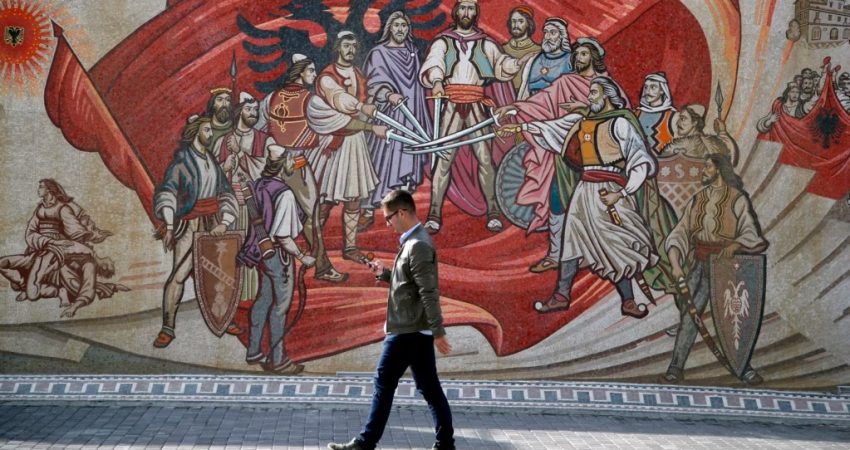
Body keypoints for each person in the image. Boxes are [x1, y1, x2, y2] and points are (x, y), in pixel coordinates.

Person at [508, 76, 662, 318]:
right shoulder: (583, 122)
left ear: (607, 96)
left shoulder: (620, 123)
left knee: (617, 244)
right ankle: (561, 296)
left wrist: (622, 193)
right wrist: (521, 128)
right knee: (571, 241)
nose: (589, 98)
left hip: (610, 191)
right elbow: (551, 128)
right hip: (584, 190)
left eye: (593, 93)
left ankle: (628, 301)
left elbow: (639, 159)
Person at [327, 190, 454, 450]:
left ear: (403, 212)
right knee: (429, 389)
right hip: (413, 330)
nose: (387, 223)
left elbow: (428, 292)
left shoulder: (418, 245)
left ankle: (365, 442)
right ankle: (445, 444)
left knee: (384, 383)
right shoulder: (412, 242)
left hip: (407, 331)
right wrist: (386, 274)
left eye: (388, 217)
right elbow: (410, 283)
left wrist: (438, 331)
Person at [494, 37, 611, 274]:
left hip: (596, 158)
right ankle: (556, 254)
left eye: (584, 54)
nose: (579, 58)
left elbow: (613, 115)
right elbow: (543, 101)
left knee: (591, 207)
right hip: (565, 152)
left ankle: (591, 253)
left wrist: (583, 110)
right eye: (577, 55)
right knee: (557, 202)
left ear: (594, 58)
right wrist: (515, 108)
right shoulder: (566, 82)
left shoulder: (605, 86)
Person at [419, 0, 532, 234]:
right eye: (463, 8)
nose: (466, 12)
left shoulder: (485, 43)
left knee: (485, 158)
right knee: (443, 159)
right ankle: (434, 214)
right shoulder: (443, 41)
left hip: (476, 105)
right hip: (452, 104)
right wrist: (438, 81)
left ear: (475, 13)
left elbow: (501, 64)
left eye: (471, 8)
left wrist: (517, 63)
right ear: (456, 11)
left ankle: (493, 211)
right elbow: (434, 62)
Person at [660, 154, 768, 385]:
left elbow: (750, 232)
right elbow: (680, 233)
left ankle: (743, 367)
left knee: (733, 319)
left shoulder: (737, 198)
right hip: (699, 265)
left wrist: (734, 245)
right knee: (689, 317)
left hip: (726, 268)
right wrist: (676, 264)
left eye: (708, 166)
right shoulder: (698, 199)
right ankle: (676, 367)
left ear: (719, 169)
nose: (704, 170)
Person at [255, 54, 348, 283]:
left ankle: (300, 266)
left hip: (274, 169)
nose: (314, 75)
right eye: (311, 71)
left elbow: (259, 128)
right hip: (297, 168)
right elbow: (340, 121)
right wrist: (369, 125)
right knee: (312, 219)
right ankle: (322, 267)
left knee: (275, 216)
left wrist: (273, 147)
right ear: (300, 73)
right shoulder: (310, 100)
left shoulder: (271, 98)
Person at [152, 115, 239, 348]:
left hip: (213, 223)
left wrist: (225, 222)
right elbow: (167, 192)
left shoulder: (211, 161)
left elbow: (226, 192)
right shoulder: (182, 162)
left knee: (218, 274)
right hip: (190, 223)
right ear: (195, 132)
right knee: (179, 274)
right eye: (207, 130)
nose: (211, 134)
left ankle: (223, 317)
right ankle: (167, 327)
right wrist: (170, 226)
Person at [307, 31, 387, 264]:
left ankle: (350, 247)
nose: (350, 50)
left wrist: (372, 104)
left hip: (355, 142)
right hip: (333, 142)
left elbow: (366, 99)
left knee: (353, 198)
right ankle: (314, 246)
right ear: (337, 48)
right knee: (326, 199)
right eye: (346, 46)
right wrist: (363, 109)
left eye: (353, 46)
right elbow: (339, 99)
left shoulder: (358, 74)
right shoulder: (327, 77)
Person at [0, 179, 128, 317]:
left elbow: (75, 231)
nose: (38, 190)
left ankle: (48, 291)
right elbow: (30, 232)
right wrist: (45, 241)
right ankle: (29, 286)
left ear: (49, 190)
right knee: (4, 264)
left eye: (41, 187)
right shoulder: (40, 209)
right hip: (38, 248)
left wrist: (91, 234)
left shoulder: (63, 209)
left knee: (36, 289)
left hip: (55, 250)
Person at [238, 145, 314, 374]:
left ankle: (253, 351)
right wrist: (302, 256)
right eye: (291, 161)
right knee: (280, 308)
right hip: (278, 256)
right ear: (283, 165)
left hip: (262, 254)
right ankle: (278, 360)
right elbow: (283, 236)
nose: (294, 164)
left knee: (263, 300)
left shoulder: (258, 185)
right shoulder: (285, 193)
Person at [359, 11, 431, 231]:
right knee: (381, 161)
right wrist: (388, 94)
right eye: (396, 25)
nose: (400, 29)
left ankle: (400, 214)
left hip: (411, 114)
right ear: (389, 28)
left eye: (404, 26)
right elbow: (373, 83)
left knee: (406, 159)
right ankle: (368, 209)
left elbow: (417, 85)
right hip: (389, 115)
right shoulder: (378, 53)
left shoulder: (412, 52)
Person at [211, 91, 274, 301]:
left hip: (255, 207)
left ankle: (249, 297)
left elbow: (265, 173)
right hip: (230, 206)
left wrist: (239, 153)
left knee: (251, 249)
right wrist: (224, 166)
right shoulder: (223, 141)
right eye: (248, 109)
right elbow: (212, 175)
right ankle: (231, 298)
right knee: (228, 252)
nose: (253, 113)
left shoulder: (264, 140)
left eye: (256, 110)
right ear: (239, 112)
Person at [516, 17, 573, 100]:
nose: (547, 37)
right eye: (546, 32)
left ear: (562, 36)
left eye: (552, 33)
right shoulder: (534, 59)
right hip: (531, 105)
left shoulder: (570, 60)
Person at [665, 103, 739, 165]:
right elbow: (731, 161)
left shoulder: (678, 145)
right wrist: (723, 132)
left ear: (695, 122)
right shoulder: (715, 143)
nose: (678, 123)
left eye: (683, 119)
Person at [635, 72, 677, 156]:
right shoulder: (636, 114)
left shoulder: (672, 116)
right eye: (646, 87)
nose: (647, 91)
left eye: (653, 87)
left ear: (662, 90)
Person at [502, 5, 540, 91]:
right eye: (513, 21)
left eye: (521, 21)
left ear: (528, 24)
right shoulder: (501, 49)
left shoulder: (538, 51)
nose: (516, 25)